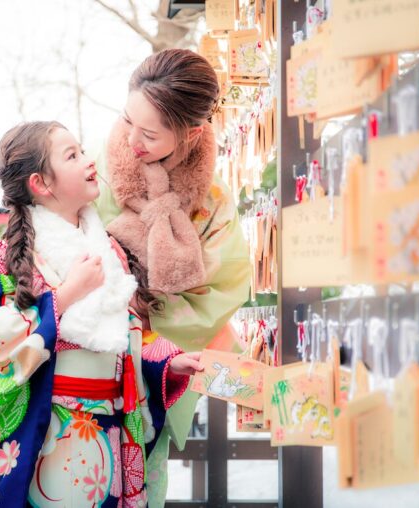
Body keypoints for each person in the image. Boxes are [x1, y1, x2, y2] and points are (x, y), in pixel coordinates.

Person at [0, 121, 203, 507]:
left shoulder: (107, 248)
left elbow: (127, 332)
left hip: (111, 425)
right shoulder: (12, 257)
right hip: (51, 430)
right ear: (41, 183)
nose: (89, 161)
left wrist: (166, 362)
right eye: (72, 155)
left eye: (82, 150)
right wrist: (64, 296)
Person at [94, 48, 252, 505]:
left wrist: (144, 330)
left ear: (192, 133)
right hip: (81, 364)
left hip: (156, 370)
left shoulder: (214, 202)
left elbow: (221, 293)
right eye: (127, 121)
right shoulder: (93, 172)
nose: (132, 141)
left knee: (141, 484)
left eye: (149, 134)